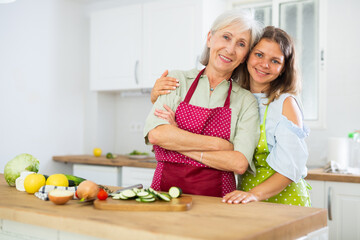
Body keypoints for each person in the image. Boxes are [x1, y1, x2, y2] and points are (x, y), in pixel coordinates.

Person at [151, 26, 312, 207]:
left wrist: (176, 143)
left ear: (283, 68)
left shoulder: (285, 103)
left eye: (275, 61)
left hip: (284, 201)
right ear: (247, 57)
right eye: (259, 55)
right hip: (245, 198)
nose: (264, 64)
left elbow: (291, 168)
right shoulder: (237, 96)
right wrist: (156, 96)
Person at [143, 9, 263, 198]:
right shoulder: (176, 81)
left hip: (219, 201)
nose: (230, 49)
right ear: (209, 38)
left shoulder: (245, 101)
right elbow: (157, 135)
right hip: (164, 196)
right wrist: (219, 145)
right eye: (226, 37)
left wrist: (176, 141)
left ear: (245, 55)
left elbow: (239, 163)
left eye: (241, 44)